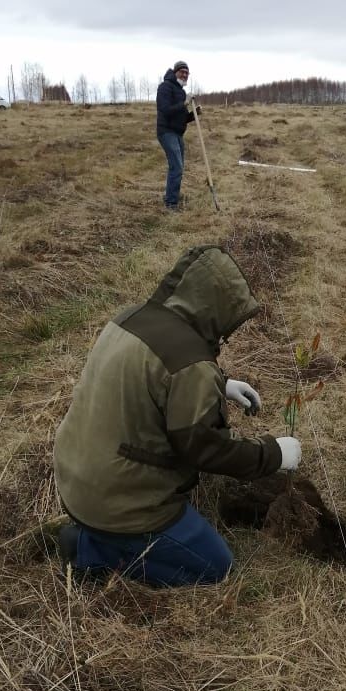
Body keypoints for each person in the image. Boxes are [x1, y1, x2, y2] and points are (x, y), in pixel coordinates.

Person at [53, 245, 302, 585]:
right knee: (216, 566)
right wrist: (274, 454)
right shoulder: (191, 365)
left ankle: (97, 532)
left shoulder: (131, 317)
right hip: (120, 503)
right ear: (216, 309)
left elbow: (149, 378)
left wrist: (222, 384)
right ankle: (88, 549)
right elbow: (207, 449)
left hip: (74, 476)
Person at [156, 60, 199, 210]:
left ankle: (171, 197)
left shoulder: (181, 92)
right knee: (177, 167)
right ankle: (171, 204)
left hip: (178, 133)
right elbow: (165, 110)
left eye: (187, 73)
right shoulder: (165, 87)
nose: (185, 75)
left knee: (177, 168)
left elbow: (180, 116)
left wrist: (193, 115)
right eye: (182, 72)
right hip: (166, 132)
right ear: (175, 73)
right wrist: (184, 103)